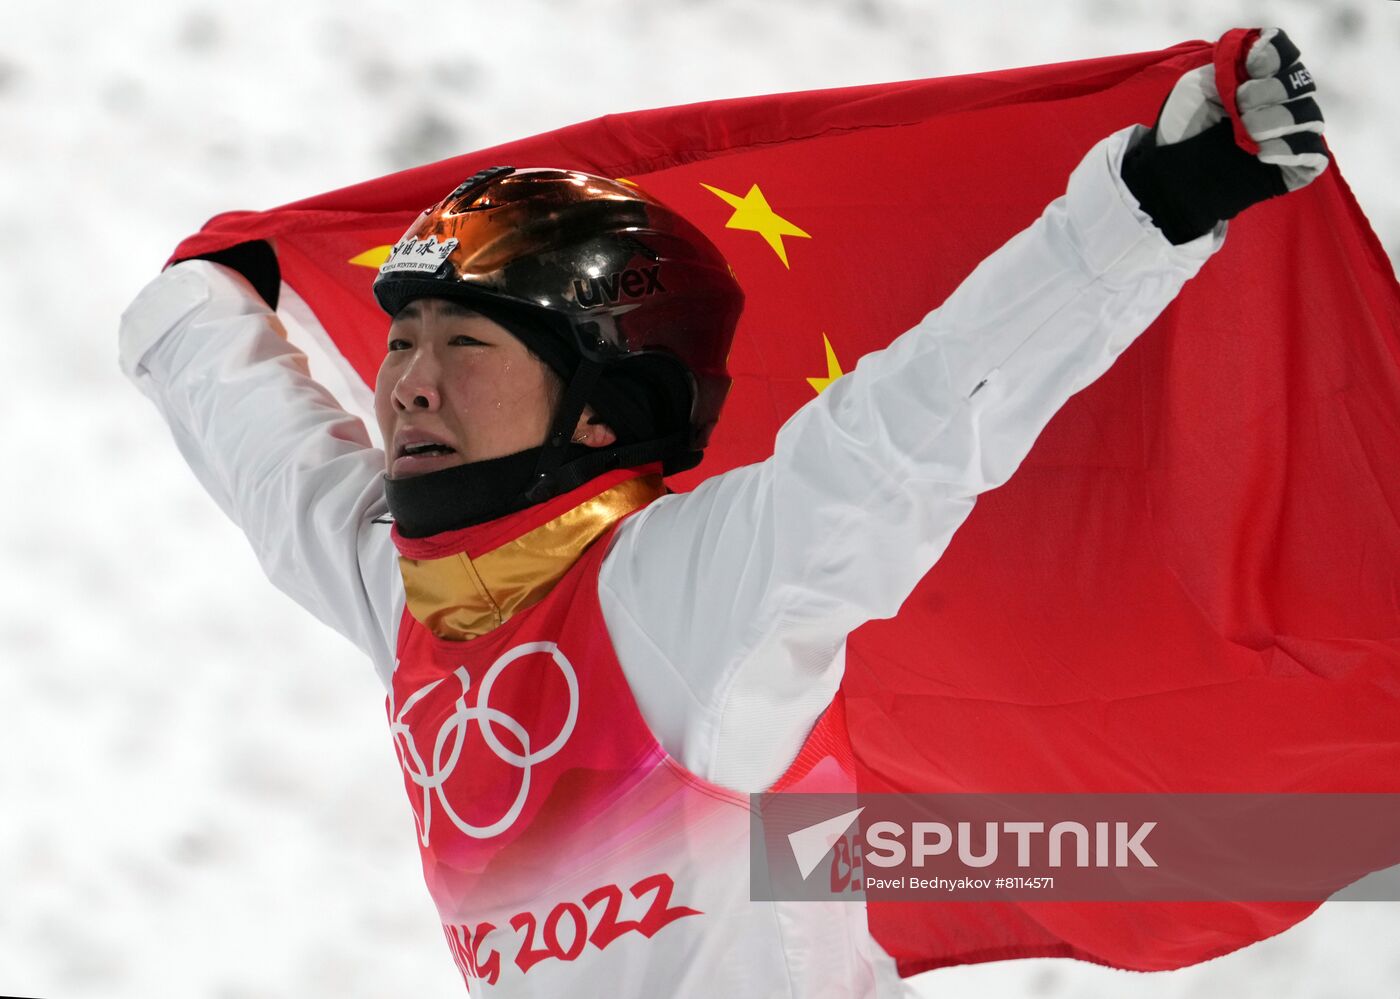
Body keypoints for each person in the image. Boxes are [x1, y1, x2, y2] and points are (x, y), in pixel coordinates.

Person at [119, 28, 1327, 999]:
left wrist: (1145, 212)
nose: (406, 383)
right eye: (401, 342)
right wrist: (194, 304)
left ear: (598, 414)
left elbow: (904, 436)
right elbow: (267, 459)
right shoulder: (408, 589)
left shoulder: (676, 598)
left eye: (465, 342)